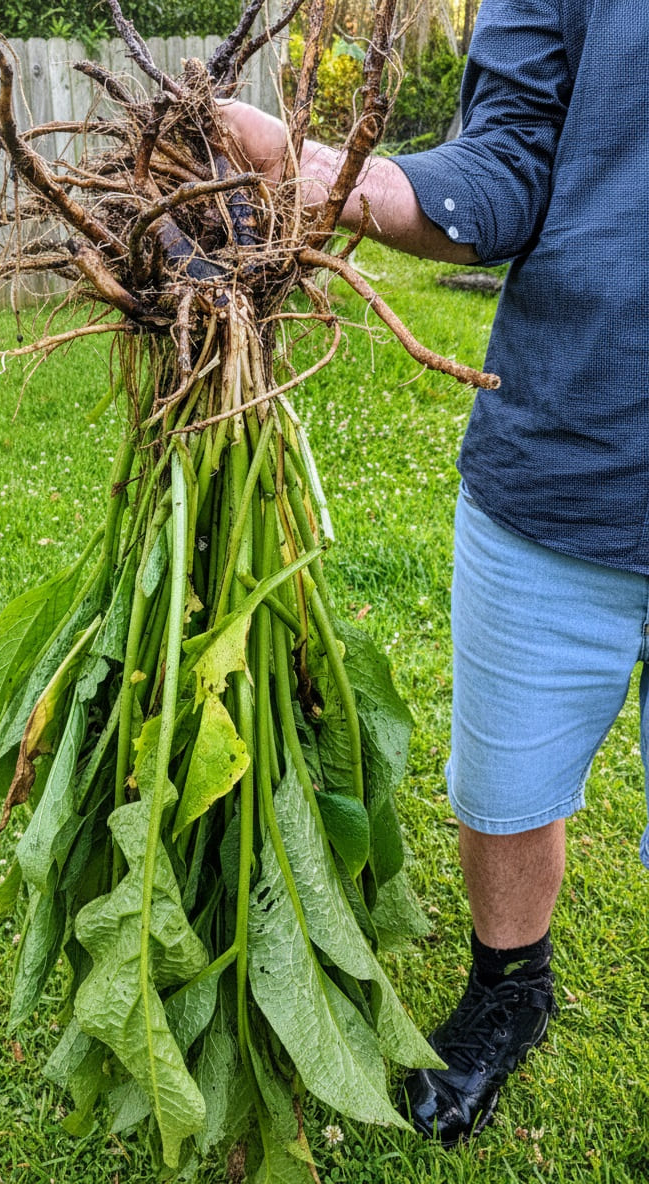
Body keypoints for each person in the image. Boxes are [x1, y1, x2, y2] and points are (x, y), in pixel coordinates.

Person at [221, 0, 649, 1146]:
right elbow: (505, 163)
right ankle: (511, 987)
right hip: (558, 457)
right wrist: (335, 178)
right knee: (504, 785)